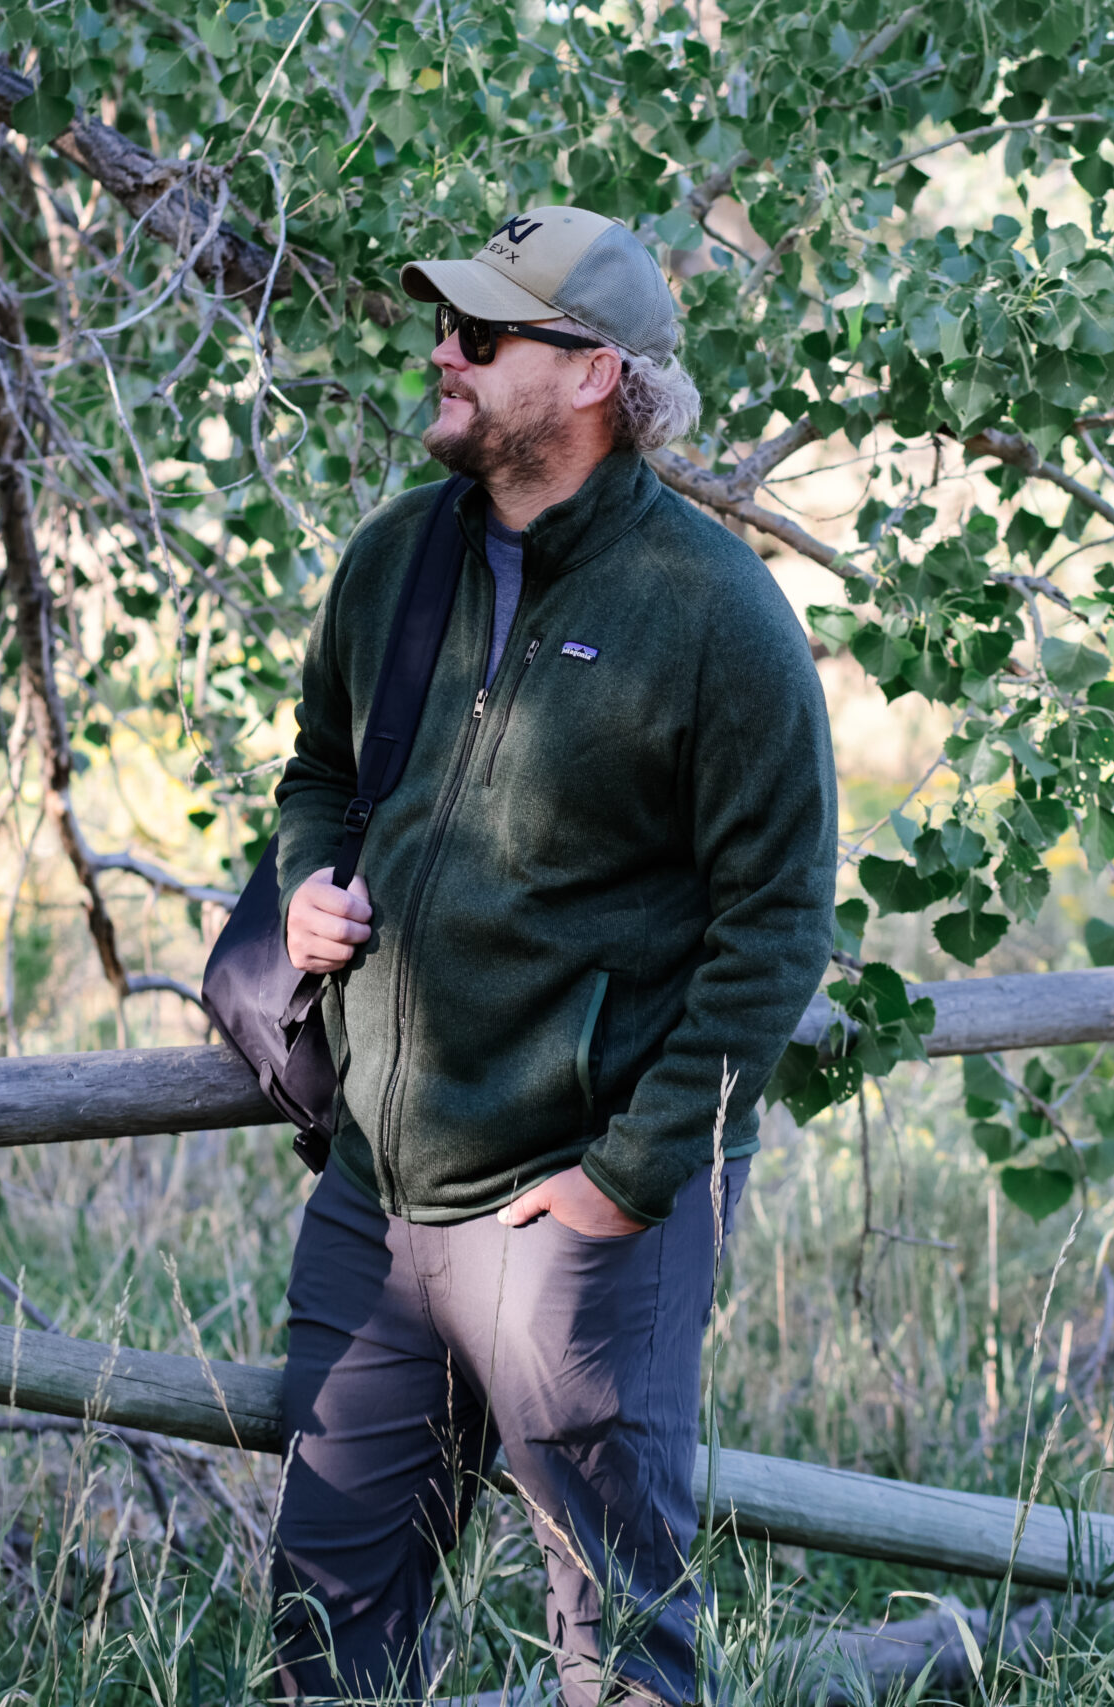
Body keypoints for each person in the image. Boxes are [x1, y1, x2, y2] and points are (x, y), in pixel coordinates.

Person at [267, 204, 837, 1703]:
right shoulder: (397, 554)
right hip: (374, 1196)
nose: (442, 354)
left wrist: (624, 1180)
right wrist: (310, 878)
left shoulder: (715, 614)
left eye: (481, 332)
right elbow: (321, 770)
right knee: (327, 1626)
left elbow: (778, 928)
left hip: (578, 1209)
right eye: (443, 325)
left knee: (618, 1641)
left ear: (594, 376)